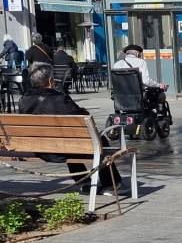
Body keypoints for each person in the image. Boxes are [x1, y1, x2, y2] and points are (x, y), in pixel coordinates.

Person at [18, 63, 120, 194]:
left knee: (68, 141)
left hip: (38, 148)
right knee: (99, 142)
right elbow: (83, 118)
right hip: (62, 148)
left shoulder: (23, 100)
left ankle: (84, 182)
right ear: (50, 81)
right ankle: (111, 184)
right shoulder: (58, 98)